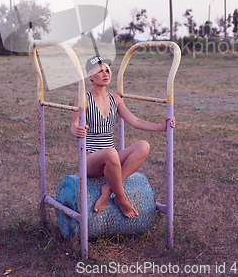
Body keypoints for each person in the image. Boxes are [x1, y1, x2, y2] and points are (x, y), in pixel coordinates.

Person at [71, 55, 175, 219]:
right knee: (111, 153)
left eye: (107, 70)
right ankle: (121, 198)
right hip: (90, 161)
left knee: (143, 145)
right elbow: (74, 124)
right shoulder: (84, 98)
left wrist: (162, 127)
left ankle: (109, 189)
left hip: (111, 159)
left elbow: (135, 121)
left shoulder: (115, 99)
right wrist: (77, 130)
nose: (106, 74)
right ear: (90, 77)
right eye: (100, 71)